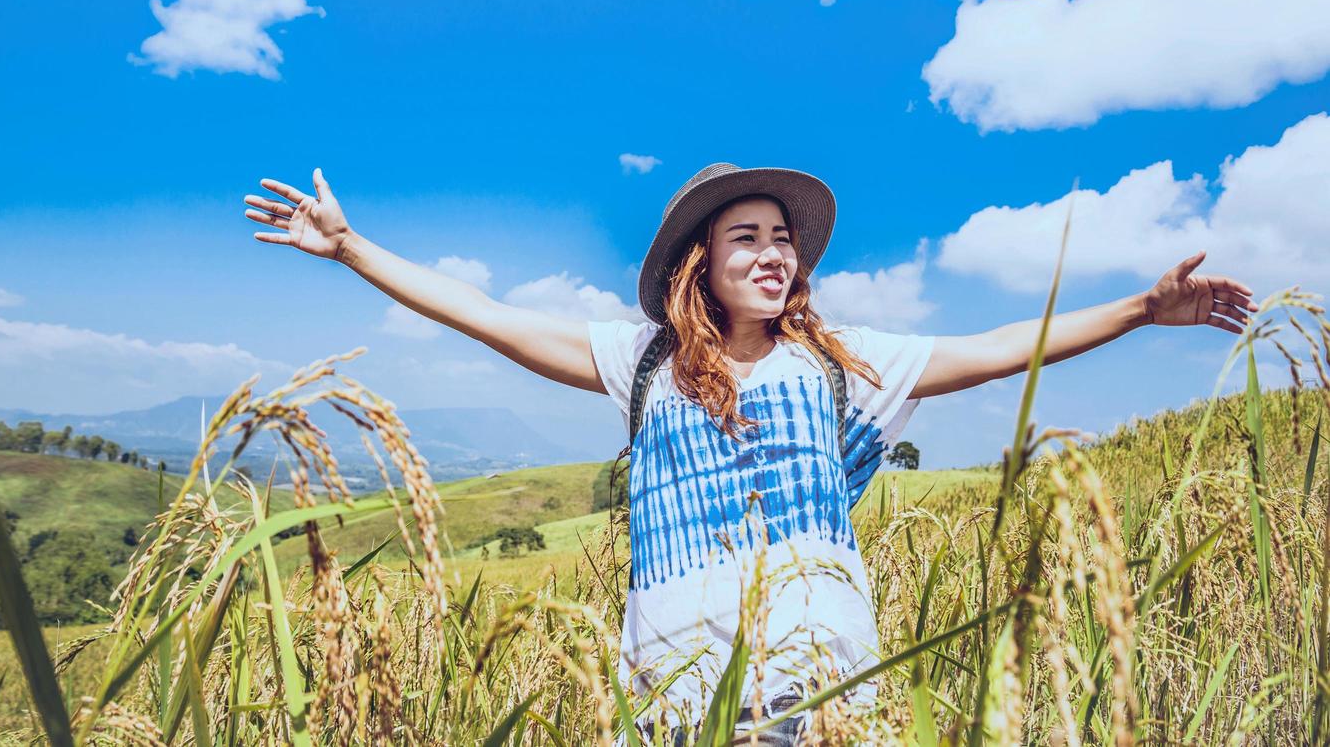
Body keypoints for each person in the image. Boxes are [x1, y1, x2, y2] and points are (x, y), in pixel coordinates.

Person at [244, 162, 1257, 744]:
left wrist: (1136, 309)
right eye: (747, 238)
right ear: (700, 263)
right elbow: (488, 317)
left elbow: (993, 348)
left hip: (823, 677)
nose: (774, 252)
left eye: (783, 237)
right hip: (677, 685)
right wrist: (353, 246)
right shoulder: (641, 360)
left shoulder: (840, 362)